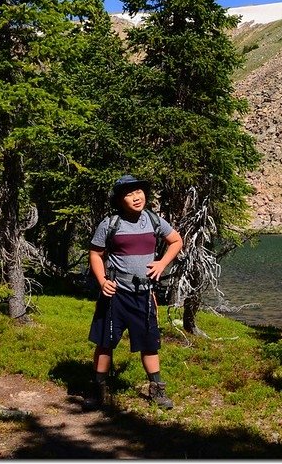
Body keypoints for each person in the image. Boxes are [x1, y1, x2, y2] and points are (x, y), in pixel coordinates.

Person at [85, 175, 183, 410]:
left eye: (138, 191)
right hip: (115, 294)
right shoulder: (110, 224)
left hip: (144, 294)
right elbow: (95, 254)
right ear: (120, 200)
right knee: (105, 342)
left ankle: (157, 390)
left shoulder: (153, 220)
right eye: (129, 194)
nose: (136, 197)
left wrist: (161, 264)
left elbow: (176, 241)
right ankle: (98, 389)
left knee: (150, 344)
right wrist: (102, 281)